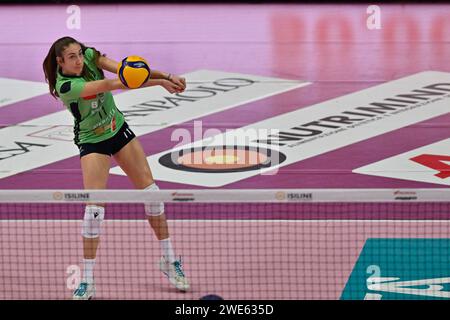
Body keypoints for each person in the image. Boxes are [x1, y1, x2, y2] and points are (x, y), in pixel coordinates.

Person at [43, 36, 189, 300]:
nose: (78, 60)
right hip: (92, 142)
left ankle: (169, 260)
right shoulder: (66, 86)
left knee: (153, 195)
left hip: (118, 129)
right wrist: (159, 82)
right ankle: (87, 280)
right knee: (94, 211)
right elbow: (114, 83)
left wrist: (166, 76)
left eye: (79, 54)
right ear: (60, 61)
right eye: (72, 57)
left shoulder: (89, 55)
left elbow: (127, 71)